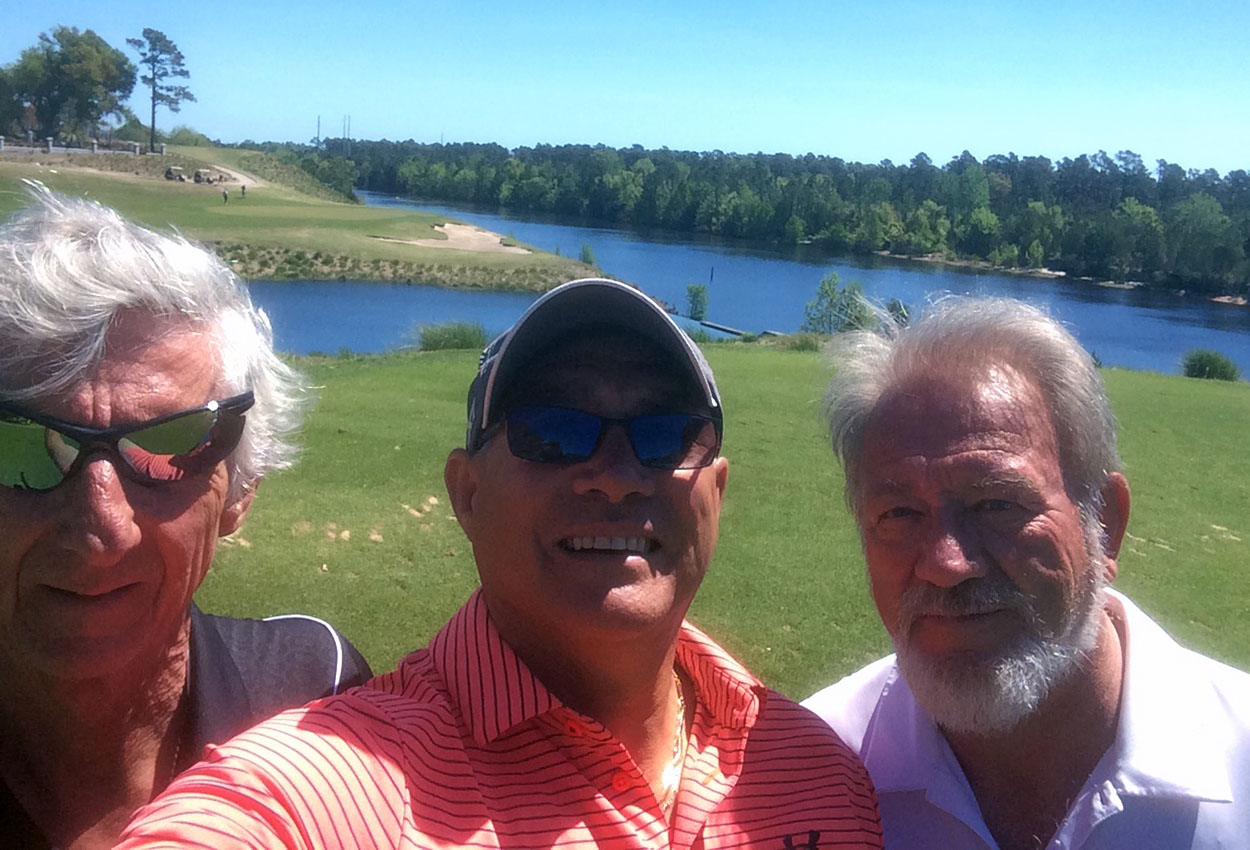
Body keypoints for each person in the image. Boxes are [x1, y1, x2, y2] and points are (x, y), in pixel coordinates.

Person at [119, 277, 885, 848]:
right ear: (468, 492)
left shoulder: (818, 769)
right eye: (554, 431)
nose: (615, 474)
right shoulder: (315, 793)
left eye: (665, 434)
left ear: (716, 492)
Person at [0, 185, 371, 850]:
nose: (100, 530)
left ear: (240, 490)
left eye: (168, 446)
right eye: (24, 442)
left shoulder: (324, 696)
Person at [803, 296, 1250, 849]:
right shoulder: (812, 772)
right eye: (899, 513)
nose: (946, 565)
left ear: (1105, 523)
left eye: (996, 504)